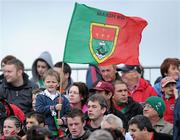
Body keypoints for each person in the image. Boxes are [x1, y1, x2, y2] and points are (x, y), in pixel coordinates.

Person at [35, 69, 70, 137]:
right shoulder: (40, 96)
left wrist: (63, 121)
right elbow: (39, 110)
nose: (51, 84)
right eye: (48, 82)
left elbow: (68, 113)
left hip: (60, 132)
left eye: (53, 82)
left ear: (58, 84)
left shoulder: (63, 99)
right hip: (45, 132)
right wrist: (54, 108)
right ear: (44, 83)